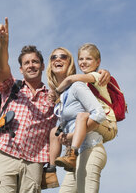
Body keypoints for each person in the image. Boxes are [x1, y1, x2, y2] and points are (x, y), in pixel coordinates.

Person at [0, 17, 57, 193]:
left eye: (35, 62)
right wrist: (3, 44)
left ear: (42, 66)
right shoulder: (11, 87)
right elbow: (1, 69)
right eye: (26, 63)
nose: (31, 65)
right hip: (6, 154)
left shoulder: (53, 96)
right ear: (21, 69)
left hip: (34, 162)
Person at [46, 43, 117, 174]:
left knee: (82, 116)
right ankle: (51, 170)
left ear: (97, 62)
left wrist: (56, 91)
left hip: (107, 122)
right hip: (94, 128)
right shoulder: (79, 85)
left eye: (88, 59)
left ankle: (72, 152)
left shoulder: (93, 77)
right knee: (55, 131)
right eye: (81, 59)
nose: (84, 62)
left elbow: (71, 79)